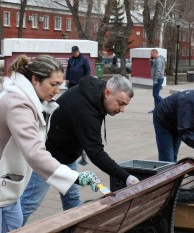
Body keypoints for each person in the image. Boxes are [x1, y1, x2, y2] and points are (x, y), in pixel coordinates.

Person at [0, 54, 100, 233]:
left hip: (4, 181)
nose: (58, 90)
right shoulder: (18, 104)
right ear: (35, 79)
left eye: (60, 84)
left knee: (15, 225)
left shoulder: (32, 101)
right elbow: (34, 152)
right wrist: (73, 177)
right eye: (53, 84)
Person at [20, 74, 140, 224]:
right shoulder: (86, 109)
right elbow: (96, 152)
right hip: (48, 155)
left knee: (72, 199)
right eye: (120, 103)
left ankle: (75, 228)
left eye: (125, 105)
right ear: (108, 93)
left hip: (67, 154)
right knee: (28, 203)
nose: (122, 109)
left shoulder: (98, 92)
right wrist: (126, 177)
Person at [148, 49, 166, 113]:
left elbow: (158, 70)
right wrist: (151, 61)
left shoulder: (159, 60)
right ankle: (156, 109)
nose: (151, 55)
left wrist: (155, 79)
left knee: (155, 94)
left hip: (158, 79)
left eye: (152, 54)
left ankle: (165, 103)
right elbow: (153, 67)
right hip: (157, 78)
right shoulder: (156, 60)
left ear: (155, 53)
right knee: (155, 94)